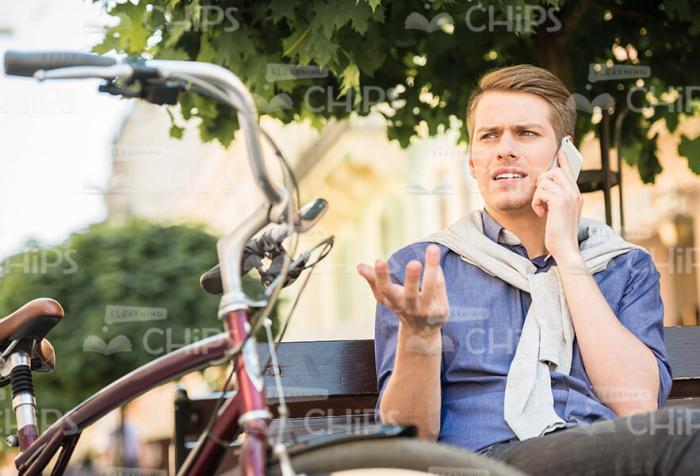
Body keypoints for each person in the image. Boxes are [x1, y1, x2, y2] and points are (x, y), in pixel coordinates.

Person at [357, 65, 700, 475]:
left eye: (525, 133)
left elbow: (636, 405)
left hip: (604, 455)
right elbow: (407, 440)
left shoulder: (623, 265)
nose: (505, 148)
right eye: (489, 136)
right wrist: (422, 335)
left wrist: (567, 255)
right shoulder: (424, 270)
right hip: (478, 462)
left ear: (565, 157)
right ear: (473, 161)